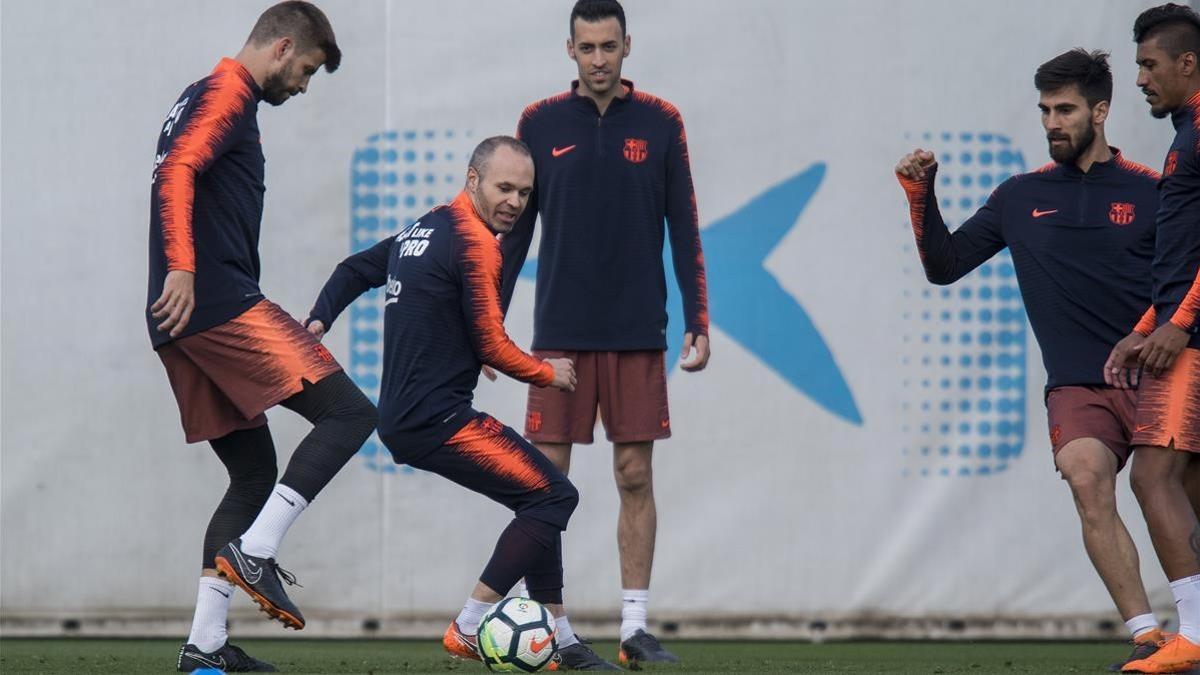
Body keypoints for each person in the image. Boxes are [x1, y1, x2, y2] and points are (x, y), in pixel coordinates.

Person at [896, 49, 1170, 672]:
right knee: (1085, 477)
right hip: (1077, 386)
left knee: (1173, 500)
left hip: (1159, 378)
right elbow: (944, 267)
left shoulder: (1154, 191)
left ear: (1100, 112)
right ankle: (1148, 636)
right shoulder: (1018, 196)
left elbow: (1186, 286)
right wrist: (920, 193)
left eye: (1066, 109)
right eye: (1045, 109)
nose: (1052, 121)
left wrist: (1153, 332)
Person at [306, 137, 618, 671]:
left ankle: (562, 639)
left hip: (411, 417)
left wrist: (318, 319)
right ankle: (470, 624)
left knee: (541, 495)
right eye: (504, 187)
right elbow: (494, 344)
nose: (515, 202)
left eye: (524, 192)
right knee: (553, 498)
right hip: (437, 420)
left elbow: (355, 269)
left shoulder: (426, 227)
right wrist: (548, 371)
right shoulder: (477, 242)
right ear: (472, 180)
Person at [147, 3, 377, 671]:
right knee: (352, 411)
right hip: (217, 303)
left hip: (180, 317)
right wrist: (186, 268)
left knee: (252, 474)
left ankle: (205, 648)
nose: (303, 86)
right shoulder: (226, 93)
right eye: (305, 70)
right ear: (280, 49)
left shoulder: (201, 93)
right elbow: (178, 171)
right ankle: (259, 550)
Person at [500, 0, 709, 665]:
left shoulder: (663, 121)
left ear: (627, 47)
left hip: (636, 331)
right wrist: (486, 327)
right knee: (543, 482)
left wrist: (698, 321)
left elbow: (685, 227)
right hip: (557, 334)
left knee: (634, 473)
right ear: (569, 50)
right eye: (586, 47)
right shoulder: (537, 123)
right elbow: (512, 233)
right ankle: (553, 629)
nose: (598, 59)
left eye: (608, 47)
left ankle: (633, 628)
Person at [1105, 5, 1200, 672]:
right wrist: (1144, 327)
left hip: (1191, 335)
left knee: (1153, 473)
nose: (1141, 78)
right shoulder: (1186, 132)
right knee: (1190, 481)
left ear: (1187, 63)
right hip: (1178, 328)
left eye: (1148, 64)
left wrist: (1179, 323)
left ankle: (1194, 637)